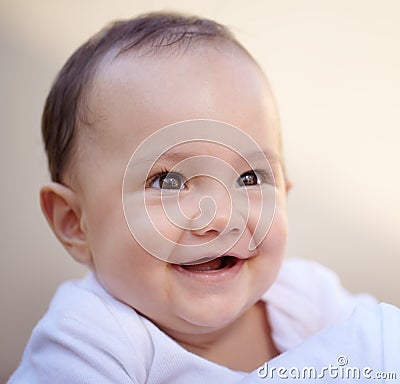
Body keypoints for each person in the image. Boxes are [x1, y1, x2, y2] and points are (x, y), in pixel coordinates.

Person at [8, 12, 399, 383]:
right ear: (75, 222)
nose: (220, 216)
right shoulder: (88, 339)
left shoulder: (308, 297)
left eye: (249, 177)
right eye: (168, 182)